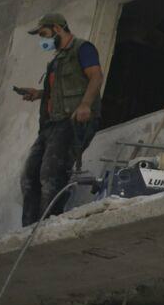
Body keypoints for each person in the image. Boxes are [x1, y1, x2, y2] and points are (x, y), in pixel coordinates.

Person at [16, 12, 102, 226]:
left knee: (50, 173)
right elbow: (58, 92)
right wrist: (38, 93)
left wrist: (85, 104)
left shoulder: (83, 48)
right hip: (50, 125)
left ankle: (47, 223)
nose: (43, 40)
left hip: (71, 121)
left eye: (44, 34)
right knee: (29, 176)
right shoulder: (56, 61)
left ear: (57, 28)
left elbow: (96, 76)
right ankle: (28, 229)